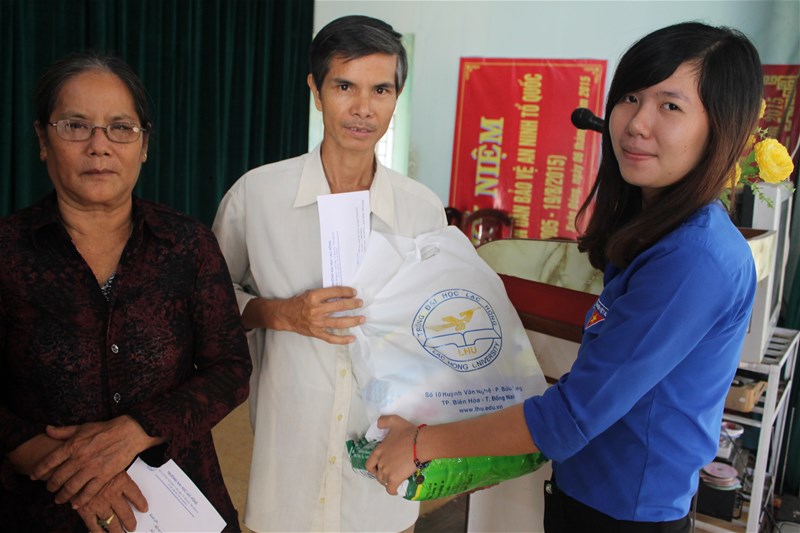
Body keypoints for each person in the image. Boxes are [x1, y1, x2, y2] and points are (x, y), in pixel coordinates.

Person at [366, 21, 761, 532]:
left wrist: (421, 444)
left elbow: (571, 418)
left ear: (720, 128)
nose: (636, 124)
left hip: (625, 514)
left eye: (670, 106)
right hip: (589, 490)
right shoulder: (658, 231)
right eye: (630, 98)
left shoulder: (695, 260)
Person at [212, 15, 447, 533]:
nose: (364, 108)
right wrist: (279, 313)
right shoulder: (258, 195)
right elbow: (207, 304)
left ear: (396, 96)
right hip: (289, 454)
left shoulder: (422, 210)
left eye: (381, 90)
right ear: (316, 91)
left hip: (383, 459)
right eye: (345, 86)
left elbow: (439, 330)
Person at [0, 52, 251, 532]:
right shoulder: (7, 252)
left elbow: (232, 369)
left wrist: (136, 430)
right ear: (42, 141)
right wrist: (71, 470)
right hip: (42, 509)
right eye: (75, 126)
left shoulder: (188, 244)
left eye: (120, 128)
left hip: (181, 506)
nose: (99, 146)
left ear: (144, 145)